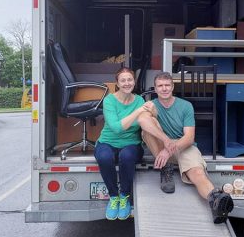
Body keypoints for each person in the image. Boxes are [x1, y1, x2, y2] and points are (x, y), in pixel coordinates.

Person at [141, 71, 234, 224]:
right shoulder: (151, 106)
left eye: (167, 85)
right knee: (147, 128)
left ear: (172, 87)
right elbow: (143, 123)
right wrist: (165, 144)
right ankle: (166, 168)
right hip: (161, 146)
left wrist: (169, 149)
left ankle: (215, 200)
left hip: (182, 145)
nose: (164, 89)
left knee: (197, 172)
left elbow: (189, 138)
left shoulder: (185, 106)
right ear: (155, 89)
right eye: (160, 86)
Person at [94, 67, 150, 220]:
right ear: (117, 83)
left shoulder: (139, 100)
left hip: (131, 143)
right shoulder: (109, 100)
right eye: (123, 80)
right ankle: (113, 197)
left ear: (134, 81)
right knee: (104, 157)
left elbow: (147, 121)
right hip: (108, 141)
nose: (127, 83)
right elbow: (117, 128)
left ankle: (124, 196)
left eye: (130, 80)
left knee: (127, 156)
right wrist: (138, 112)